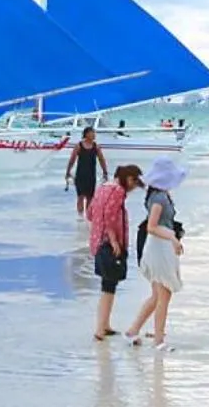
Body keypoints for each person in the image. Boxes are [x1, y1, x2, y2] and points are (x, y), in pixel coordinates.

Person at [125, 157, 186, 350]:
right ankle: (159, 341)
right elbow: (152, 227)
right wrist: (173, 238)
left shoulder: (158, 195)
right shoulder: (159, 198)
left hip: (160, 245)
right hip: (159, 246)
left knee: (156, 296)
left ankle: (133, 330)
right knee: (163, 296)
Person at [88, 165, 140, 340]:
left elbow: (90, 213)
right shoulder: (117, 191)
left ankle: (104, 325)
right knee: (109, 286)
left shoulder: (103, 188)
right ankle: (100, 329)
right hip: (109, 244)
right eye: (134, 182)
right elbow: (110, 215)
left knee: (107, 285)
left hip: (97, 241)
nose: (133, 187)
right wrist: (113, 240)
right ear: (128, 178)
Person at [64, 126, 107, 219]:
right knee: (80, 196)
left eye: (94, 133)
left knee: (90, 197)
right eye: (92, 133)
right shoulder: (79, 145)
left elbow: (101, 160)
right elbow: (72, 159)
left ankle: (88, 217)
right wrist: (68, 172)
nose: (94, 135)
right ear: (86, 134)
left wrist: (105, 172)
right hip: (80, 175)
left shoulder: (96, 147)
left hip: (91, 175)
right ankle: (80, 217)